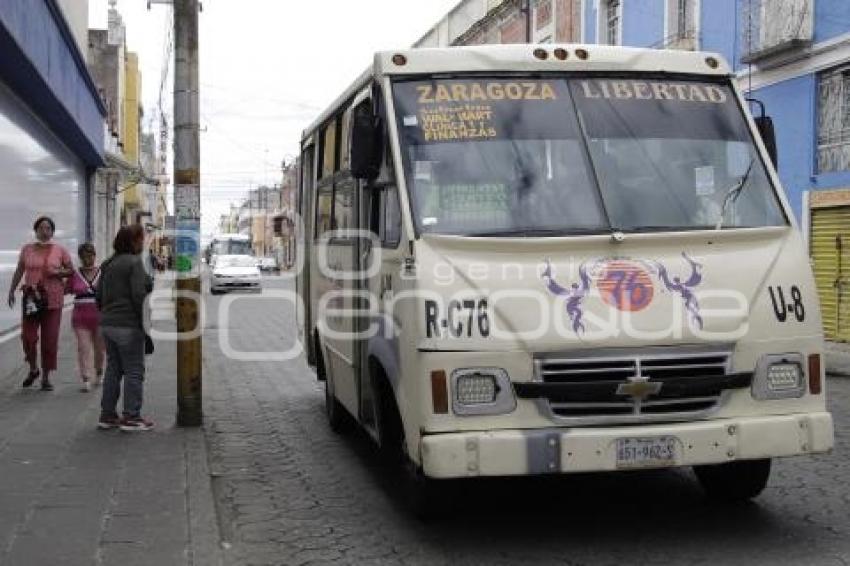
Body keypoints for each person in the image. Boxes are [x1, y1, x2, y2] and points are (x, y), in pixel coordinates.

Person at [96, 224, 154, 431]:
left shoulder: (108, 263)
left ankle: (107, 415)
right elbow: (139, 295)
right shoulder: (133, 263)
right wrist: (145, 322)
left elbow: (99, 295)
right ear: (133, 241)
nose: (143, 242)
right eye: (141, 239)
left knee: (113, 369)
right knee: (134, 371)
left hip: (108, 324)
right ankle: (131, 417)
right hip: (128, 324)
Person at [6, 216, 73, 391]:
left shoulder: (60, 250)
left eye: (48, 228)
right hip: (31, 300)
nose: (45, 231)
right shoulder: (27, 249)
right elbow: (20, 270)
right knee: (27, 337)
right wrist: (11, 290)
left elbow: (71, 270)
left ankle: (45, 377)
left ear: (52, 231)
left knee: (49, 340)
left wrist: (57, 273)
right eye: (41, 228)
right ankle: (33, 368)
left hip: (53, 300)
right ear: (35, 230)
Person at [66, 242, 106, 392]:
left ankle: (99, 372)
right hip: (80, 316)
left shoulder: (102, 273)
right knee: (83, 348)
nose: (88, 259)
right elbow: (67, 290)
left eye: (90, 255)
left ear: (95, 256)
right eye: (84, 256)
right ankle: (86, 379)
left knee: (100, 348)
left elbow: (109, 292)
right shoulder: (75, 274)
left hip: (100, 316)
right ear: (80, 257)